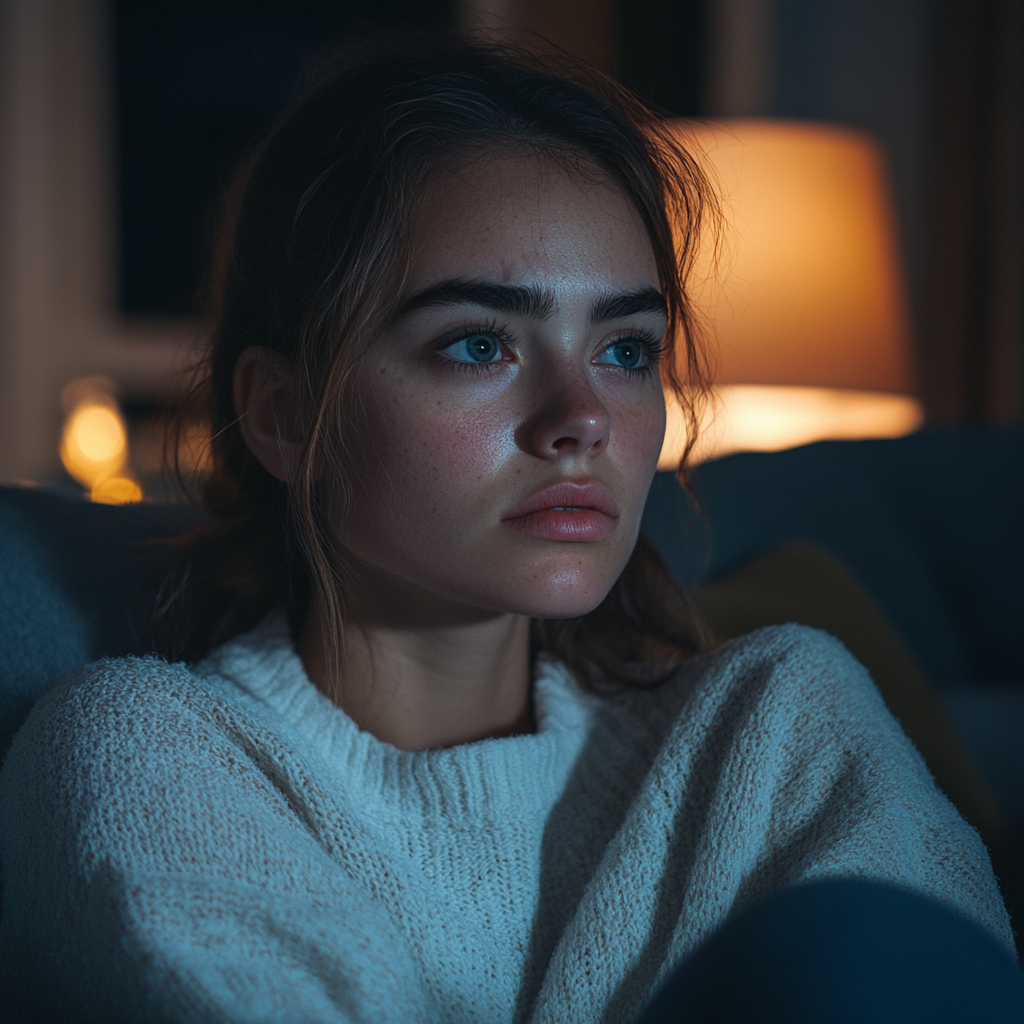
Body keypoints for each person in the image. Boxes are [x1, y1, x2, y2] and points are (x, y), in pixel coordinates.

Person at [0, 36, 1017, 1023]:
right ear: (284, 413)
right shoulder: (151, 754)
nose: (581, 416)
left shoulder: (777, 722)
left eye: (624, 349)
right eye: (480, 343)